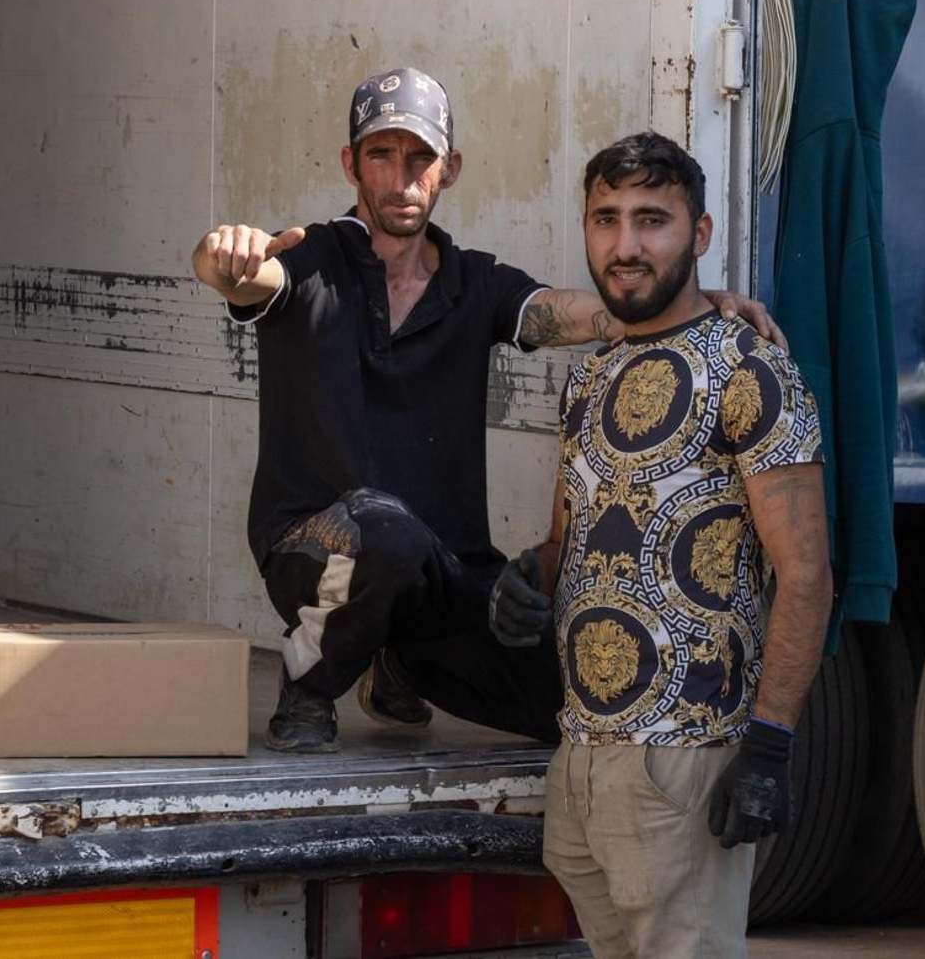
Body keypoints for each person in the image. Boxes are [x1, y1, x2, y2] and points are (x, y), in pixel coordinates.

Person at [191, 68, 784, 753]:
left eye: (420, 158)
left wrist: (697, 306)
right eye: (381, 155)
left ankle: (399, 658)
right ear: (351, 164)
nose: (401, 178)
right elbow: (238, 272)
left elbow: (569, 313)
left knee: (571, 698)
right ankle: (308, 679)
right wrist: (222, 251)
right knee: (386, 533)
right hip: (318, 549)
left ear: (450, 169)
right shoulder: (312, 261)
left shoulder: (473, 281)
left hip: (444, 569)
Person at [488, 131, 832, 958]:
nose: (626, 244)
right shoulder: (591, 373)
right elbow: (569, 540)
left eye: (653, 219)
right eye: (606, 219)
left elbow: (808, 574)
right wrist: (525, 579)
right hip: (583, 758)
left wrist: (769, 746)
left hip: (683, 760)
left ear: (700, 235)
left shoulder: (748, 367)